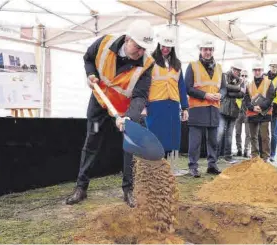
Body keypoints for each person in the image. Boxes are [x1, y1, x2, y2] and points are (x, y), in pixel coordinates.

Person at [65, 20, 155, 207]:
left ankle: (128, 190)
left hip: (124, 109)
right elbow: (88, 58)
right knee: (92, 142)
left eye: (144, 49)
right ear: (127, 39)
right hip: (99, 104)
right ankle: (81, 188)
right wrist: (90, 75)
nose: (141, 52)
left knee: (129, 147)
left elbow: (140, 96)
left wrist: (129, 118)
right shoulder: (103, 43)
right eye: (138, 47)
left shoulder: (147, 64)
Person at [144, 30, 189, 161]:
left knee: (173, 136)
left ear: (172, 47)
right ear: (158, 45)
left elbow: (181, 86)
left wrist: (185, 107)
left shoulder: (177, 64)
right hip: (155, 104)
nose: (165, 49)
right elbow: (144, 85)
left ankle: (171, 166)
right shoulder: (150, 61)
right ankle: (154, 164)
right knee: (155, 134)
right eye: (163, 46)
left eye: (168, 47)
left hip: (173, 105)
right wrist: (144, 105)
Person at [185, 39, 226, 178]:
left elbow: (224, 88)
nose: (207, 52)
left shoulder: (219, 68)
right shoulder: (192, 66)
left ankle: (212, 165)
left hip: (213, 109)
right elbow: (188, 88)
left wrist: (221, 95)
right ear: (200, 50)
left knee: (213, 141)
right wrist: (205, 95)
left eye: (210, 49)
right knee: (195, 142)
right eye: (205, 49)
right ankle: (193, 167)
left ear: (213, 51)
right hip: (197, 108)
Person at [243, 61, 275, 161]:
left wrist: (260, 107)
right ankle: (255, 157)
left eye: (259, 70)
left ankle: (265, 157)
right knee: (253, 137)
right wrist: (253, 108)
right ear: (253, 71)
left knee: (264, 136)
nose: (257, 72)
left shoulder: (269, 83)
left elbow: (270, 97)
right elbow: (246, 100)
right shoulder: (249, 84)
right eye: (255, 70)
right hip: (252, 113)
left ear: (262, 71)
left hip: (264, 113)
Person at [217, 61, 246, 162]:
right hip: (223, 109)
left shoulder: (242, 80)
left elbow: (242, 95)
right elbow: (225, 87)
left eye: (238, 70)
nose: (237, 71)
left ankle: (227, 156)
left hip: (234, 111)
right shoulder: (224, 76)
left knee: (229, 134)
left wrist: (230, 93)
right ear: (232, 68)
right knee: (219, 132)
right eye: (235, 69)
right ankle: (214, 156)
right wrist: (238, 89)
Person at [267, 59, 277, 162]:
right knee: (263, 132)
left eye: (276, 66)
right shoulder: (264, 77)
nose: (274, 68)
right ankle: (264, 153)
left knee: (274, 133)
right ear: (270, 67)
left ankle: (272, 154)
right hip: (264, 108)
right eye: (273, 66)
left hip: (275, 109)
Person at [235, 69, 251, 158]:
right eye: (242, 75)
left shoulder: (250, 86)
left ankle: (246, 151)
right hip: (238, 112)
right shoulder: (236, 85)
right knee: (238, 132)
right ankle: (239, 150)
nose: (244, 77)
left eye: (245, 76)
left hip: (247, 112)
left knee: (248, 133)